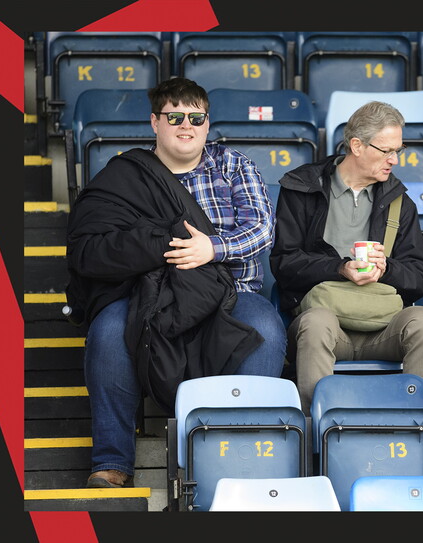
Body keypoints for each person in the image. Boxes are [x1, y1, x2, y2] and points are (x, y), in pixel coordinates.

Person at [65, 77, 286, 489]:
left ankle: (239, 457)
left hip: (230, 292)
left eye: (196, 117)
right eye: (175, 116)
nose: (186, 125)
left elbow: (262, 230)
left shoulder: (234, 165)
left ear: (207, 123)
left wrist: (211, 249)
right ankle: (112, 460)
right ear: (155, 122)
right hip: (147, 294)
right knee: (110, 331)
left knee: (266, 331)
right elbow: (100, 243)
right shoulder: (127, 174)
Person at [270, 101, 423, 413]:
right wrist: (340, 268)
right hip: (326, 323)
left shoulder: (399, 203)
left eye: (398, 151)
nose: (394, 160)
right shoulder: (303, 189)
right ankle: (316, 431)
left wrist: (386, 268)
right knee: (317, 323)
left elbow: (421, 277)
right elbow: (284, 264)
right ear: (357, 146)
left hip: (383, 326)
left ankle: (418, 426)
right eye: (386, 150)